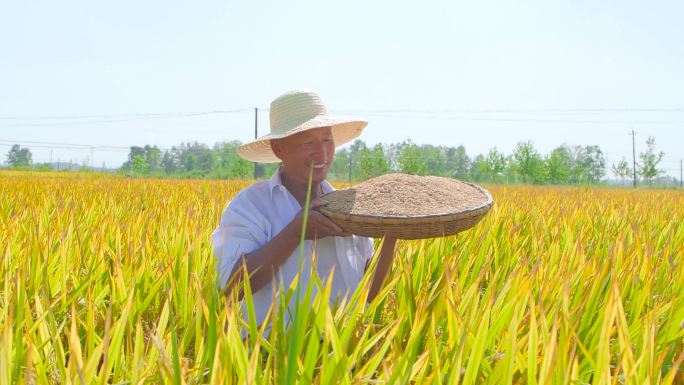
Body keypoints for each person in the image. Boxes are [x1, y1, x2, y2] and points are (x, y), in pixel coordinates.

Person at [211, 90, 397, 331]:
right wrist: (295, 233)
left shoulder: (350, 206)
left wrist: (392, 234)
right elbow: (231, 288)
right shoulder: (250, 206)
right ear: (279, 149)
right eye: (308, 142)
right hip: (272, 359)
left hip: (342, 356)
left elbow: (370, 294)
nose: (322, 153)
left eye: (327, 140)